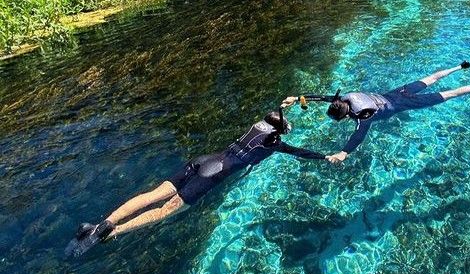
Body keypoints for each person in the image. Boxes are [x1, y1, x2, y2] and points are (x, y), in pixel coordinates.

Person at [65, 109, 326, 257]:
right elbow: (300, 152)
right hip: (211, 175)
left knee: (152, 195)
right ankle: (112, 233)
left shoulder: (258, 125)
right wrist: (327, 156)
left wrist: (288, 104)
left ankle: (101, 223)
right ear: (279, 133)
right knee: (164, 211)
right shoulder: (275, 143)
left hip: (201, 161)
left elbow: (276, 113)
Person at [281, 61, 470, 164]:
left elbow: (359, 136)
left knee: (450, 94)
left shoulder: (364, 115)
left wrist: (344, 152)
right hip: (398, 92)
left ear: (345, 115)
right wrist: (298, 97)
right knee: (431, 78)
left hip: (403, 103)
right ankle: (459, 67)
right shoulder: (345, 98)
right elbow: (325, 98)